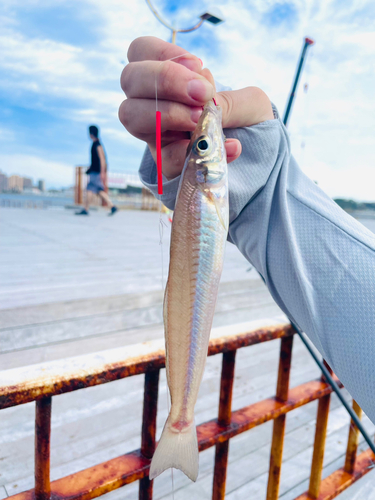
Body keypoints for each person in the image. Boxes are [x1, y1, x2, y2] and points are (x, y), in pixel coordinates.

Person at [119, 37, 375, 424]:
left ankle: (181, 415)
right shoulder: (208, 178)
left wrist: (264, 192)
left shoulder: (207, 179)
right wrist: (261, 182)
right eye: (205, 147)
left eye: (201, 146)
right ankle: (181, 412)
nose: (209, 146)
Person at [76, 125, 118, 216]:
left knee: (89, 189)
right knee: (99, 191)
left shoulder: (97, 144)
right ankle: (112, 206)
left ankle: (85, 209)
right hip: (95, 171)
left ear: (91, 133)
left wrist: (102, 173)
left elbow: (102, 159)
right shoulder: (96, 144)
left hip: (96, 172)